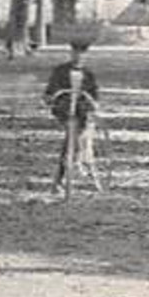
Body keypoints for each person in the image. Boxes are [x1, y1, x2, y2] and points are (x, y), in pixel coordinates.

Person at [43, 39, 101, 191]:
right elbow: (50, 92)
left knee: (73, 138)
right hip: (64, 111)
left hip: (81, 112)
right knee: (74, 136)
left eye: (81, 54)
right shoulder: (60, 71)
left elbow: (94, 96)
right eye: (75, 53)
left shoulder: (89, 75)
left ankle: (59, 178)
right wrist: (52, 98)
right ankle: (78, 163)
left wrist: (92, 104)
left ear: (86, 56)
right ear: (71, 53)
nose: (78, 57)